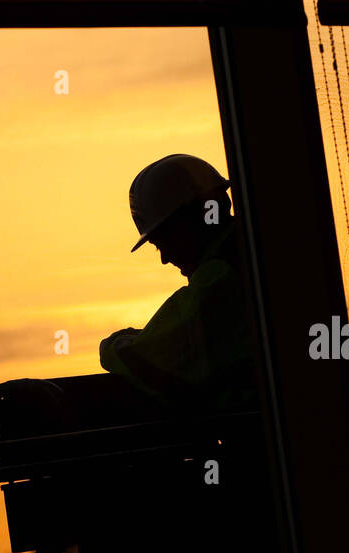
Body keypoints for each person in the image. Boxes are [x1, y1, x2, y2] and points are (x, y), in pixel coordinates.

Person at [99, 154, 259, 416]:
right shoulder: (252, 251)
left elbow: (145, 356)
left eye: (164, 241)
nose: (165, 258)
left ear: (191, 221)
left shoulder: (220, 277)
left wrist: (113, 345)